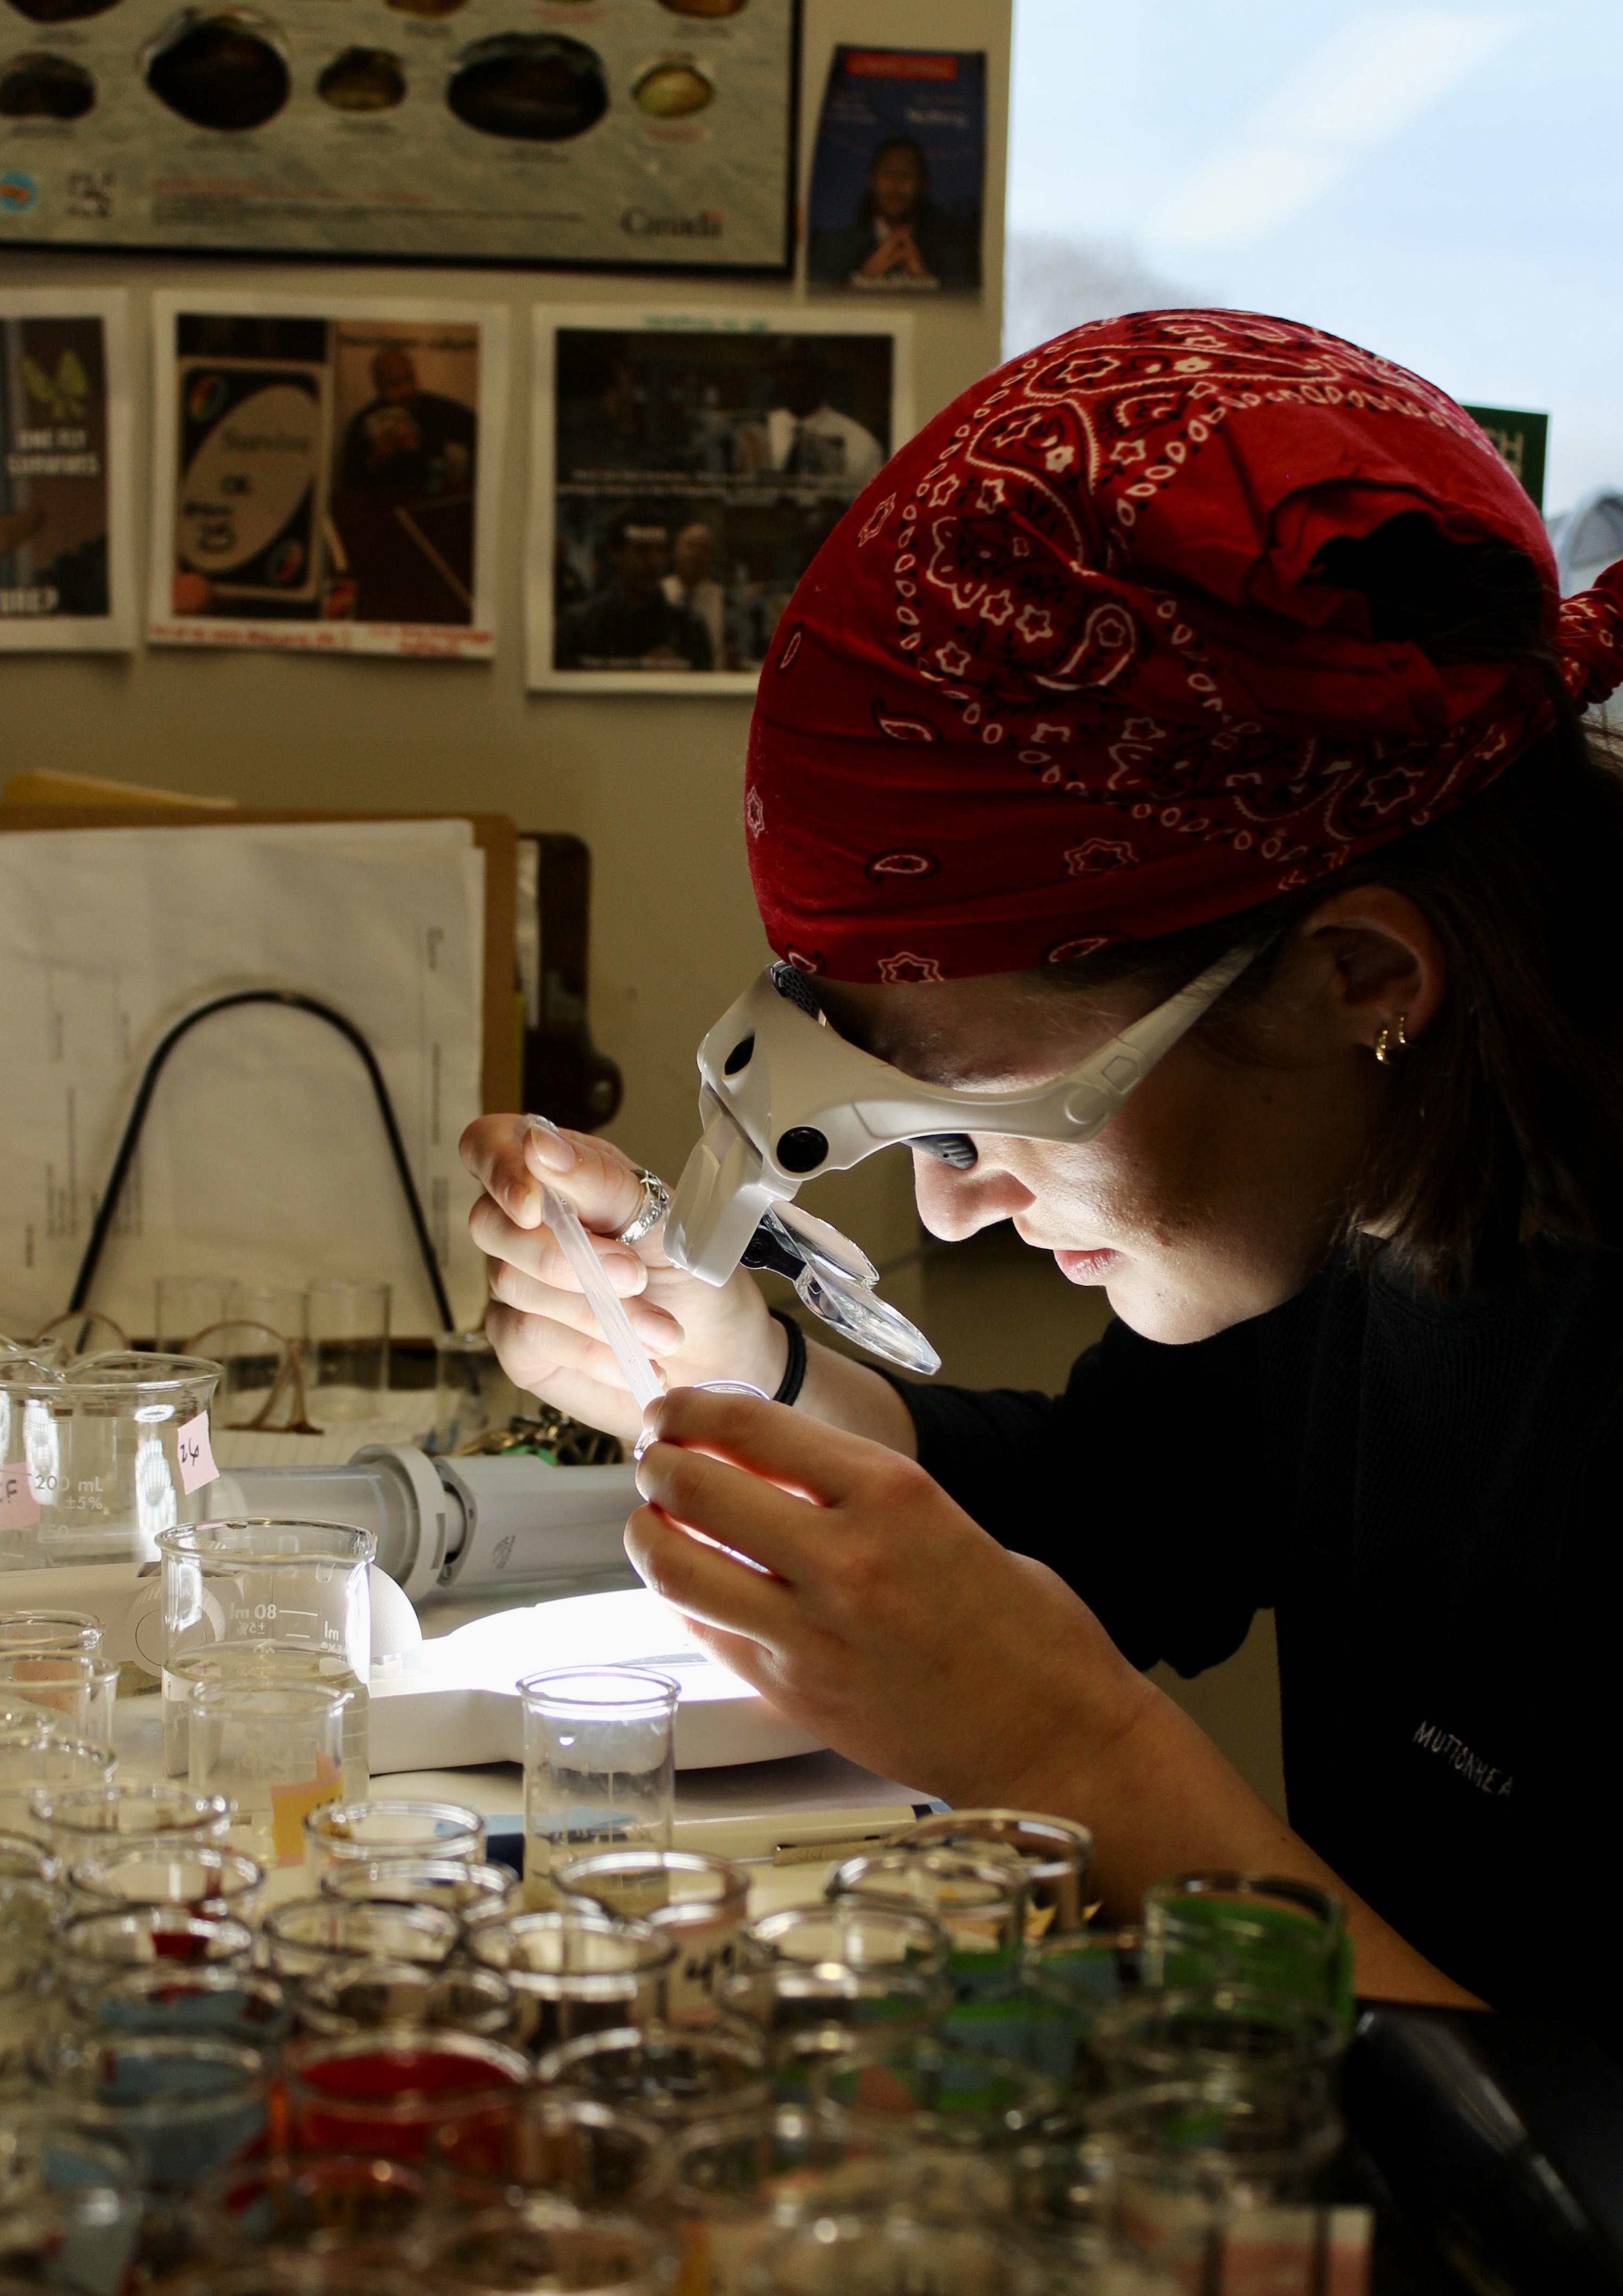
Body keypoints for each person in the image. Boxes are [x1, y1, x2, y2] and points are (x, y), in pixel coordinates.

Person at [463, 310, 1623, 2044]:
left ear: (1357, 978)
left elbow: (1577, 2218)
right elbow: (1111, 1508)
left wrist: (1072, 1760)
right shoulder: (1364, 1162)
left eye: (979, 1116)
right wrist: (732, 1363)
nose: (944, 1208)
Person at [808, 135, 980, 292]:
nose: (896, 182)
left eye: (907, 173)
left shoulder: (948, 254)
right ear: (872, 181)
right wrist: (862, 281)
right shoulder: (834, 248)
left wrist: (926, 284)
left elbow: (966, 313)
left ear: (923, 184)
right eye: (888, 172)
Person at [555, 508, 713, 671]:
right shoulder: (580, 626)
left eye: (661, 550)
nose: (655, 562)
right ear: (616, 553)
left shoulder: (689, 628)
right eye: (642, 550)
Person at [727, 347, 884, 489]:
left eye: (795, 370)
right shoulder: (753, 434)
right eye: (779, 370)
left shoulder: (859, 443)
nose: (784, 379)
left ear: (821, 375)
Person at [338, 343, 475, 500]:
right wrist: (374, 459)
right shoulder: (363, 422)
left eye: (409, 379)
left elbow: (477, 430)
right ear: (379, 387)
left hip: (431, 503)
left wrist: (472, 487)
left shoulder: (434, 409)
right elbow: (349, 484)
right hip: (383, 508)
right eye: (394, 384)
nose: (406, 389)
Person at [663, 521, 726, 664]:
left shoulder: (723, 599)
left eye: (704, 549)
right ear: (676, 550)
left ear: (713, 557)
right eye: (691, 546)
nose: (697, 554)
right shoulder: (659, 593)